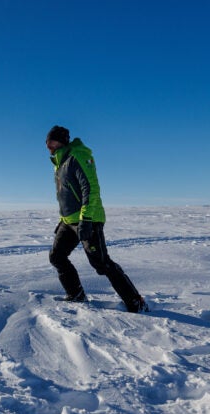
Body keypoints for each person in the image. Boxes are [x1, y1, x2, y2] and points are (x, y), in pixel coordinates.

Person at [46, 125, 148, 313]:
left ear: (61, 141)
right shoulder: (59, 163)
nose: (48, 147)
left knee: (101, 263)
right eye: (47, 143)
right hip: (68, 222)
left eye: (51, 142)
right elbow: (67, 195)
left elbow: (90, 189)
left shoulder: (78, 156)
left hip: (88, 219)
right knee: (57, 256)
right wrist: (63, 219)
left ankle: (135, 300)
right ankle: (76, 294)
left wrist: (87, 219)